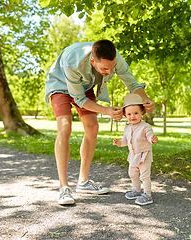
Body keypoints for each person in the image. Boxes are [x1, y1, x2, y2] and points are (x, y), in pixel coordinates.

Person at [45, 40, 154, 205]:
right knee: (65, 127)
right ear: (92, 61)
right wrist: (107, 111)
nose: (110, 72)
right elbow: (79, 99)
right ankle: (63, 188)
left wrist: (145, 99)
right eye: (104, 69)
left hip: (83, 86)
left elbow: (132, 83)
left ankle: (83, 182)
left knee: (92, 127)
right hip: (60, 85)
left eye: (112, 68)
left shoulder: (115, 58)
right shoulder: (72, 61)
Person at [113, 94, 158, 205]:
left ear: (142, 112)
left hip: (144, 155)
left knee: (144, 175)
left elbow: (149, 135)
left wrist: (152, 139)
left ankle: (147, 195)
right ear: (124, 115)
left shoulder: (145, 126)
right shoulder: (127, 128)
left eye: (136, 113)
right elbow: (126, 141)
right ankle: (137, 190)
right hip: (133, 155)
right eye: (129, 114)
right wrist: (119, 142)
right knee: (132, 173)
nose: (132, 116)